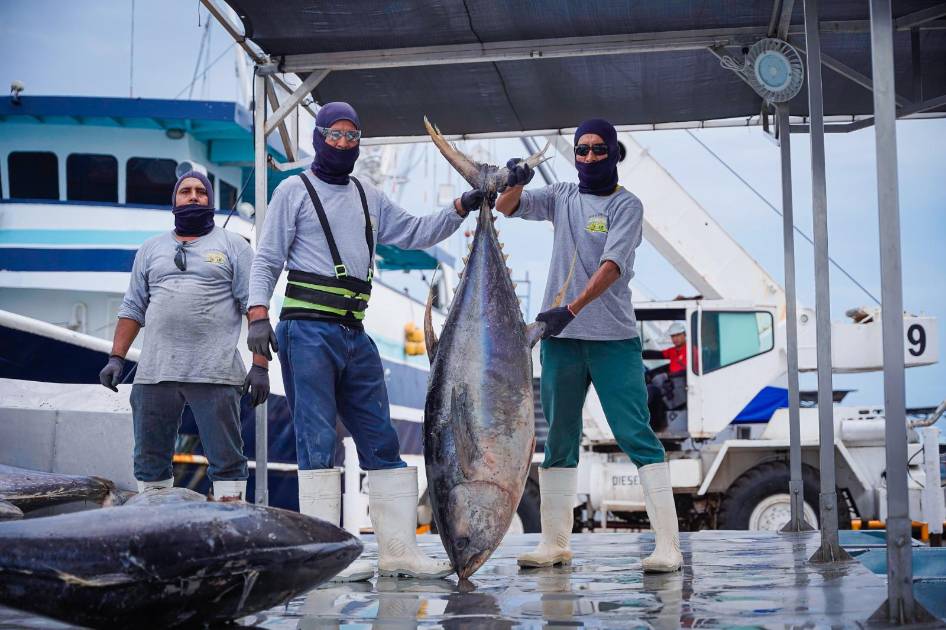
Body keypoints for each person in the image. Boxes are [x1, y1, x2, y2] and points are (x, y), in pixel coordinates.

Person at [247, 102, 485, 581]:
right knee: (317, 444)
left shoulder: (367, 194)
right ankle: (322, 556)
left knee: (381, 440)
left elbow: (416, 231)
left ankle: (399, 553)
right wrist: (257, 320)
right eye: (334, 135)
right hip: (306, 331)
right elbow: (267, 259)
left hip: (355, 334)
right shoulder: (293, 191)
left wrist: (462, 206)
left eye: (351, 136)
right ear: (317, 137)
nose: (342, 143)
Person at [495, 118, 682, 573]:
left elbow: (612, 266)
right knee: (559, 438)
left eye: (599, 149)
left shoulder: (626, 205)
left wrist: (571, 309)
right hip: (561, 341)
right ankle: (555, 543)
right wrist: (516, 180)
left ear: (614, 153)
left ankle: (668, 547)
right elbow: (505, 207)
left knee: (635, 433)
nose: (590, 157)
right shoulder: (561, 196)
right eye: (582, 150)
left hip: (612, 339)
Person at [98, 171, 269, 501]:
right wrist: (116, 357)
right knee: (149, 461)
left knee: (227, 462)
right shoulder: (150, 249)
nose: (193, 196)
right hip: (155, 373)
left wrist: (260, 366)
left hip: (216, 373)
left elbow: (255, 307)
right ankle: (154, 520)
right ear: (174, 200)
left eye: (201, 192)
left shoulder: (234, 246)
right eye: (185, 191)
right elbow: (133, 307)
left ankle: (230, 519)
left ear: (210, 201)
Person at [644, 322, 688, 432]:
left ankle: (656, 426)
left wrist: (667, 375)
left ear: (684, 334)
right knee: (650, 388)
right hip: (672, 383)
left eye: (678, 335)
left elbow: (690, 370)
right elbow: (659, 354)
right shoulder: (673, 351)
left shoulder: (691, 350)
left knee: (652, 392)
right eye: (673, 336)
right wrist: (638, 353)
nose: (675, 339)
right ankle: (653, 425)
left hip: (682, 386)